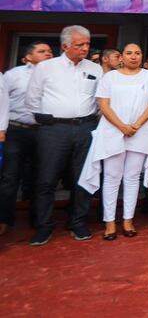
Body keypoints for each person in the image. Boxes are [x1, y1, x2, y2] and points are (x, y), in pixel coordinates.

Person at [26, 25, 102, 245]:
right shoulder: (46, 68)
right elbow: (33, 99)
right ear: (65, 46)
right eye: (80, 45)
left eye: (87, 44)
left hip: (86, 127)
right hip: (53, 129)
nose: (85, 48)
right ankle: (43, 226)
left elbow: (99, 101)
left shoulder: (95, 69)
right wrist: (48, 120)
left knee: (83, 178)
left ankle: (78, 222)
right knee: (46, 179)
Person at [78, 43, 148, 241]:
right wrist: (122, 126)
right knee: (111, 176)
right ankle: (109, 222)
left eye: (138, 53)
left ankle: (127, 220)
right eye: (129, 53)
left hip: (140, 132)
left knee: (132, 177)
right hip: (113, 130)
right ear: (122, 57)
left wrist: (135, 125)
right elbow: (104, 105)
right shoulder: (109, 77)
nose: (133, 57)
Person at [0, 42, 52, 236]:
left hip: (44, 131)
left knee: (41, 177)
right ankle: (4, 219)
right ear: (28, 57)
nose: (47, 53)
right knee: (10, 177)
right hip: (16, 130)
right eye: (41, 51)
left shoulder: (54, 75)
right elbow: (2, 101)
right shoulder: (13, 75)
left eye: (49, 51)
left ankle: (37, 219)